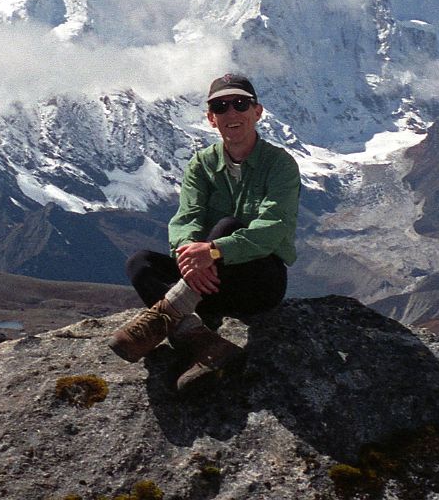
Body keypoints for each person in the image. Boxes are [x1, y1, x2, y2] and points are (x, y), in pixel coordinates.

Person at [109, 73, 301, 391]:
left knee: (227, 227)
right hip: (207, 283)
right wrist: (188, 256)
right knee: (140, 263)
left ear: (258, 111)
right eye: (221, 107)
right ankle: (207, 345)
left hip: (259, 281)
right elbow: (187, 218)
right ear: (211, 119)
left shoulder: (280, 165)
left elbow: (273, 228)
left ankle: (167, 313)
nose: (232, 113)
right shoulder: (201, 165)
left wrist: (213, 251)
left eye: (240, 104)